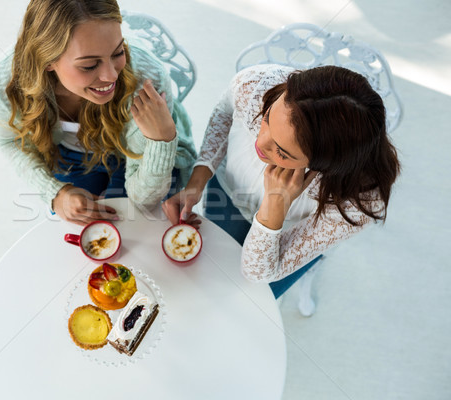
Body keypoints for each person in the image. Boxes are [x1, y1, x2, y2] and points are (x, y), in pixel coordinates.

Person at [163, 64, 400, 297]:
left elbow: (257, 273)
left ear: (325, 166)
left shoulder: (360, 201)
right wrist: (198, 179)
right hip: (228, 193)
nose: (260, 142)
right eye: (267, 118)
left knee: (246, 299)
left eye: (283, 152)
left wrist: (275, 205)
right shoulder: (256, 84)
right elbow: (226, 110)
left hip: (286, 232)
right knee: (209, 274)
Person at [0, 0, 196, 225]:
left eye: (118, 53)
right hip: (68, 155)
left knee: (135, 222)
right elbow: (11, 143)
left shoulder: (147, 78)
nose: (111, 76)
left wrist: (160, 141)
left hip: (136, 155)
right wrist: (55, 193)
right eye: (89, 66)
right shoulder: (5, 81)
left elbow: (143, 201)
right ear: (47, 60)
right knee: (83, 230)